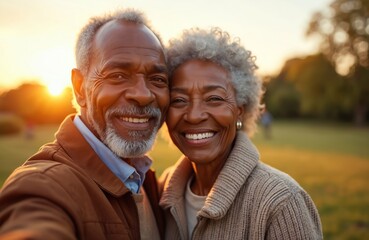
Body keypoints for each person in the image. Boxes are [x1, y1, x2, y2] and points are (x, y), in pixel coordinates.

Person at [0, 8, 169, 240]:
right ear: (80, 87)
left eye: (157, 79)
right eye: (118, 75)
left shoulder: (147, 182)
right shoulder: (43, 185)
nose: (143, 95)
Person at [159, 27, 323, 239]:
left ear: (239, 111)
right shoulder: (164, 188)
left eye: (214, 99)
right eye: (179, 100)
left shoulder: (282, 202)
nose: (194, 115)